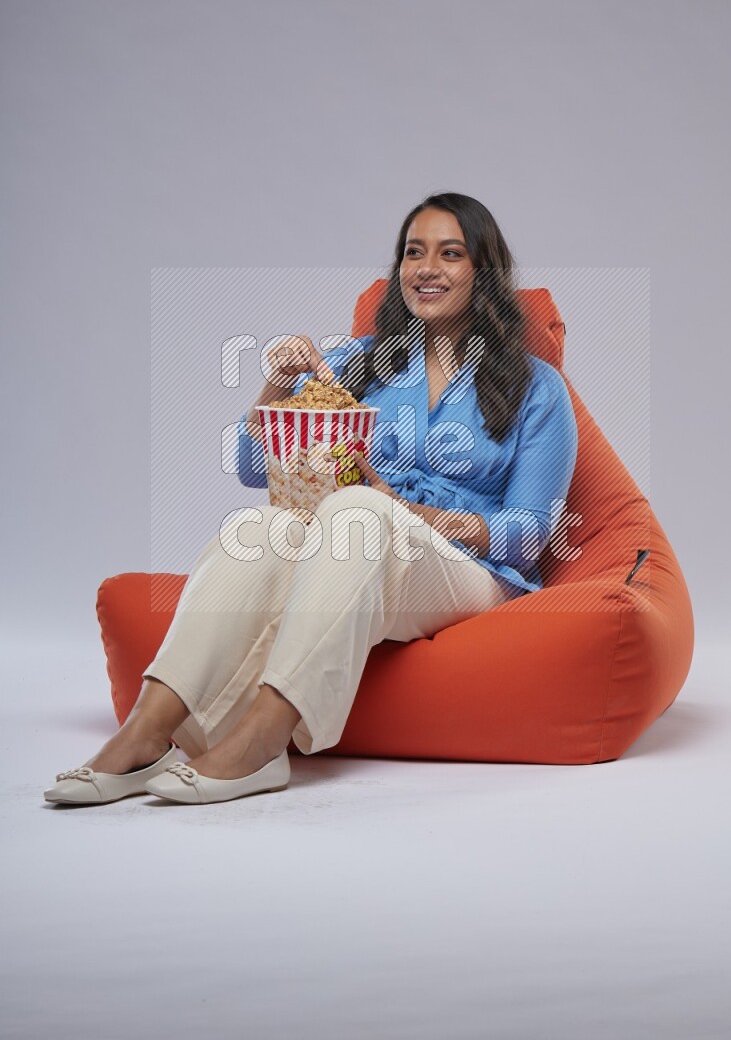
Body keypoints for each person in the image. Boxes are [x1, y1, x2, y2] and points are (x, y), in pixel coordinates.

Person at [43, 191, 579, 806]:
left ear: (483, 270)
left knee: (359, 511)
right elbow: (252, 465)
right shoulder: (362, 366)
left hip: (473, 574)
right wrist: (277, 380)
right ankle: (148, 730)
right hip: (356, 551)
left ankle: (263, 744)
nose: (427, 268)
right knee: (262, 527)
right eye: (413, 252)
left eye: (450, 253)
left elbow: (531, 531)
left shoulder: (538, 388)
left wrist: (411, 513)